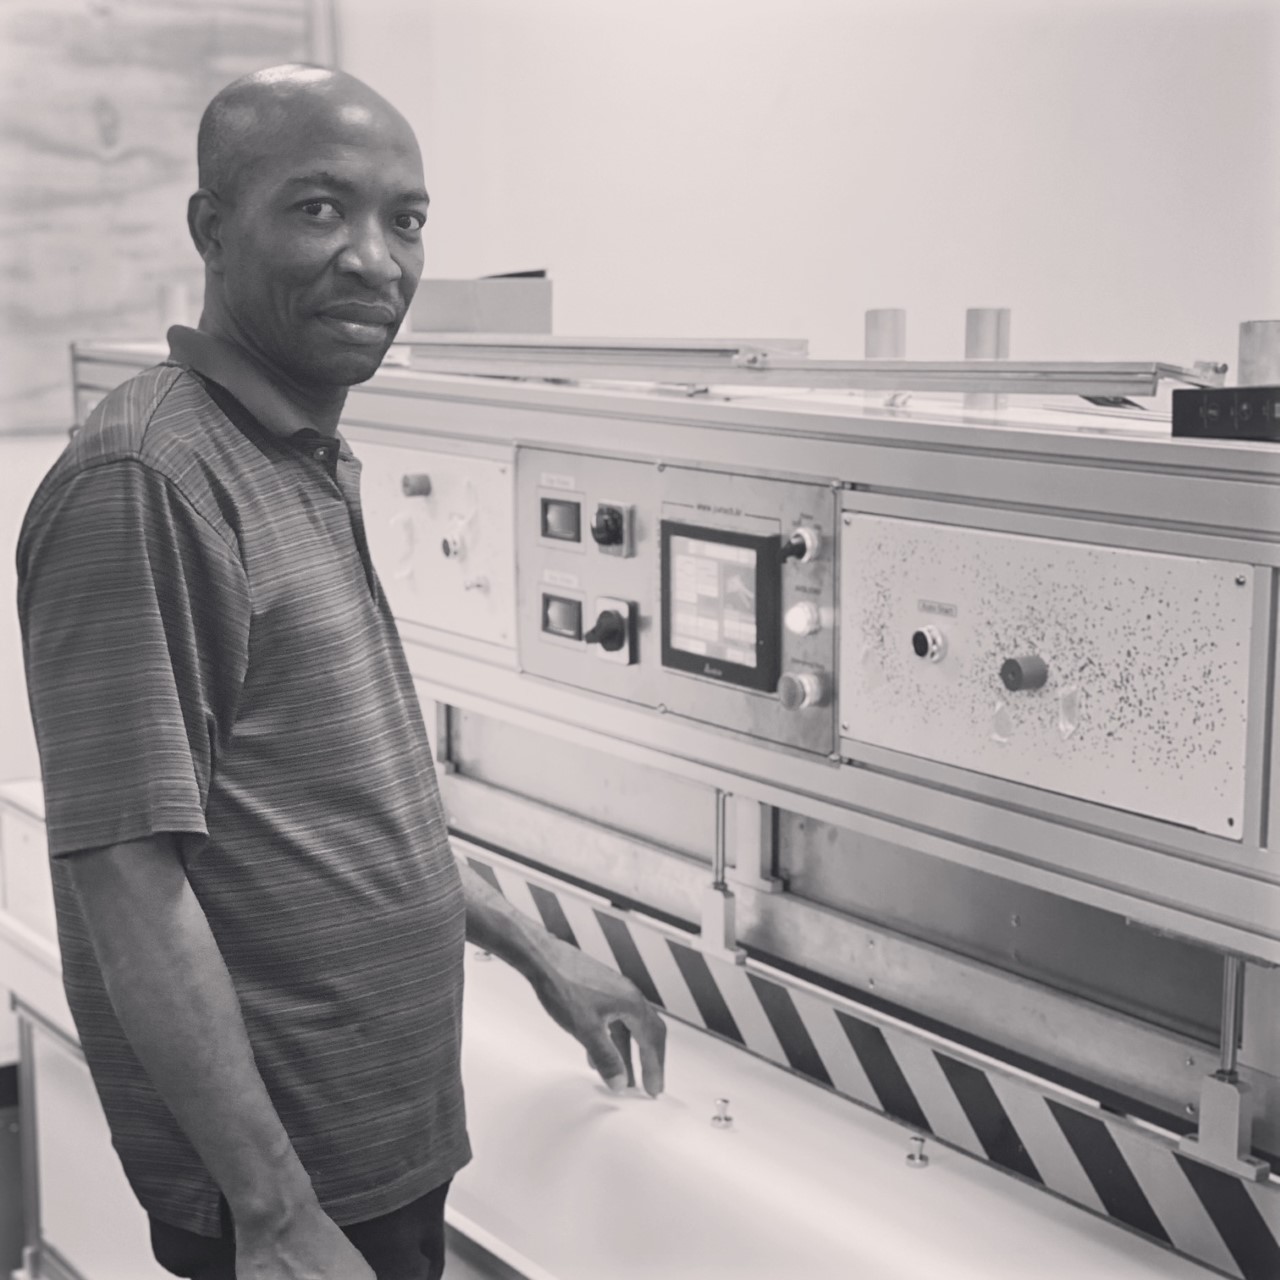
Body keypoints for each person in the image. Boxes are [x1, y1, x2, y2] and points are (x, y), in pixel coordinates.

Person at [16, 65, 665, 1280]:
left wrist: (535, 951)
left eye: (404, 218)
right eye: (319, 209)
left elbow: (328, 809)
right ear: (213, 228)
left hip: (376, 1144)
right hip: (294, 1188)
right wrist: (268, 1206)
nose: (375, 258)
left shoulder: (293, 453)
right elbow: (124, 875)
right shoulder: (147, 481)